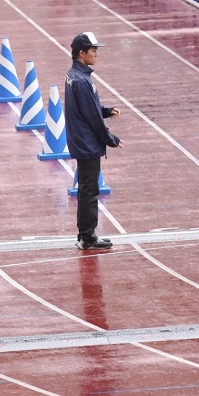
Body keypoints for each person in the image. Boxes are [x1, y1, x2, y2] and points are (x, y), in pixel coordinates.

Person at [65, 32, 122, 250]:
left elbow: (88, 108)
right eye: (93, 51)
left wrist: (106, 111)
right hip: (87, 143)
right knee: (89, 190)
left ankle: (85, 234)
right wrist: (111, 139)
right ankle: (87, 237)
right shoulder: (81, 81)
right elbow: (91, 117)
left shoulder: (74, 76)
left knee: (86, 189)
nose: (96, 55)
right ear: (82, 53)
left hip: (81, 141)